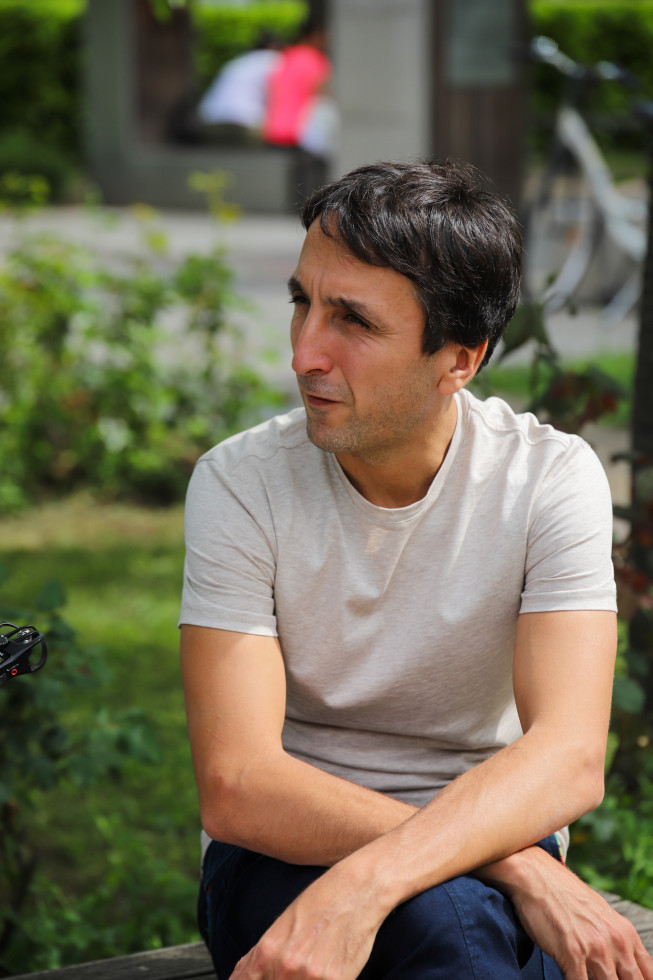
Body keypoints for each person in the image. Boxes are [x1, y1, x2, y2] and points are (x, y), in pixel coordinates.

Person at [179, 159, 653, 980]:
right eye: (303, 302)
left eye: (353, 323)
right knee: (455, 933)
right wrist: (515, 864)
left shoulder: (545, 478)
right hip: (281, 853)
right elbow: (238, 783)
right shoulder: (241, 482)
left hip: (490, 827)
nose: (304, 354)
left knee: (449, 929)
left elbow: (569, 757)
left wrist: (366, 883)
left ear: (458, 359)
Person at [196, 33, 283, 136]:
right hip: (244, 121)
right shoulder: (275, 60)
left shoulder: (238, 60)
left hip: (210, 116)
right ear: (274, 46)